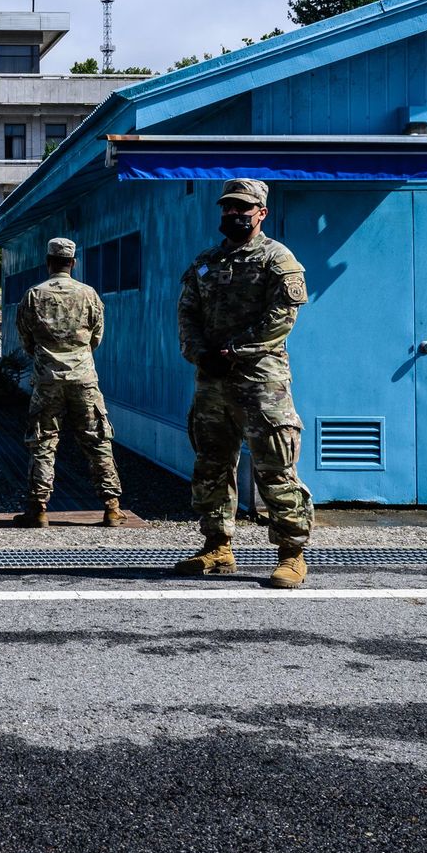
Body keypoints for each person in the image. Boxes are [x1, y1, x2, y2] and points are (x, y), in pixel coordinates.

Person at [176, 178, 315, 587]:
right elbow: (187, 313)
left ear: (261, 213)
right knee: (212, 465)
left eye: (242, 208)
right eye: (228, 207)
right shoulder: (206, 261)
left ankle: (292, 553)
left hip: (260, 380)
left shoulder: (277, 259)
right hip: (212, 380)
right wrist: (199, 353)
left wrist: (234, 351)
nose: (233, 214)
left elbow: (281, 318)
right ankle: (217, 546)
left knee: (275, 466)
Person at [14, 237, 125, 528]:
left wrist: (46, 356)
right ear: (73, 263)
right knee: (97, 440)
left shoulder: (34, 295)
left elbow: (25, 339)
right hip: (83, 377)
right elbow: (96, 337)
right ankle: (112, 507)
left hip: (47, 379)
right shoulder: (89, 294)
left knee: (43, 441)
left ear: (48, 262)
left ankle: (38, 508)